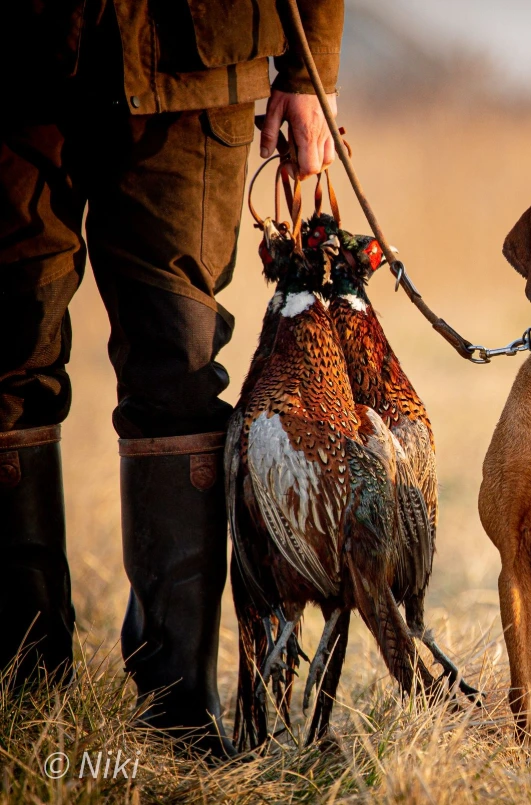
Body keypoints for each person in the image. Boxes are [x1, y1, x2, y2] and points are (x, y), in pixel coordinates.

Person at [0, 0, 344, 758]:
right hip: (17, 65)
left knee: (179, 372)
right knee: (6, 358)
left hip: (195, 64)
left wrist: (308, 71)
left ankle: (178, 713)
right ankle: (21, 695)